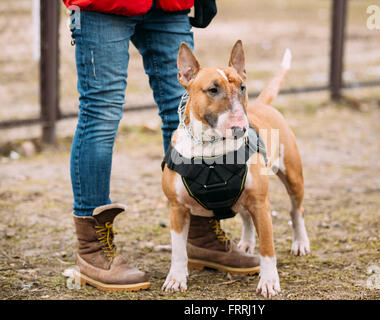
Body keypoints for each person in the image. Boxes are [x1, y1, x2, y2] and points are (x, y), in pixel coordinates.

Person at [65, 0, 259, 292]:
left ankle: (198, 230)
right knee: (101, 113)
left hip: (168, 4)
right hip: (102, 4)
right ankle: (92, 248)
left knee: (182, 107)